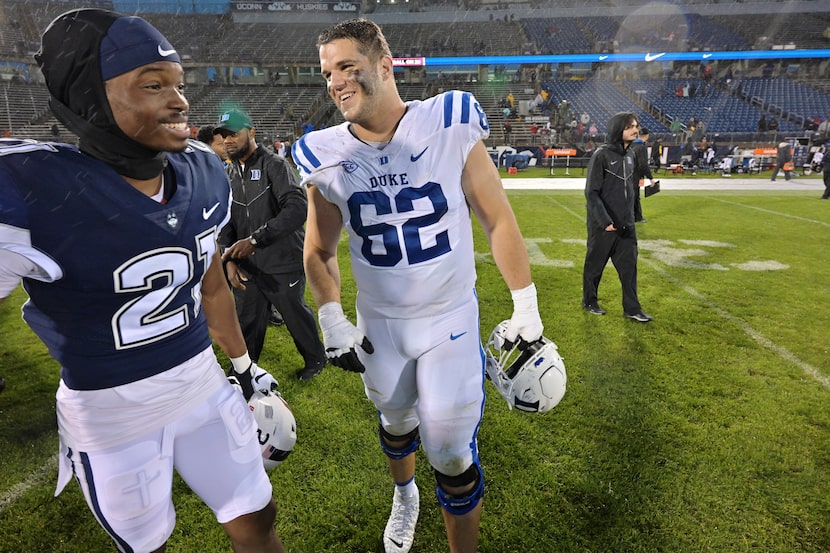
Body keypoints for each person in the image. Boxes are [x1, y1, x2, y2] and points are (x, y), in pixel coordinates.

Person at [0, 9, 286, 552]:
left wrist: (246, 368)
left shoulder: (204, 171)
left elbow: (210, 284)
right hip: (111, 413)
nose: (179, 100)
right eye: (153, 85)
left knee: (257, 516)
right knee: (147, 544)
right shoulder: (31, 192)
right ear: (89, 99)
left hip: (202, 382)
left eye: (178, 85)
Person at [293, 18, 544, 553]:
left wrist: (526, 304)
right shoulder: (324, 152)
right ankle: (405, 495)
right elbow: (318, 251)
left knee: (451, 450)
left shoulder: (448, 122)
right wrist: (332, 316)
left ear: (385, 65)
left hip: (450, 315)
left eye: (346, 67)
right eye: (327, 73)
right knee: (396, 421)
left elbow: (497, 219)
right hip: (381, 323)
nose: (335, 82)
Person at [217, 108, 327, 381]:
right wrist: (229, 259)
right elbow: (225, 221)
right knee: (247, 319)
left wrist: (256, 240)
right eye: (224, 137)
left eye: (234, 134)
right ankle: (244, 369)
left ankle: (315, 359)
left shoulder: (275, 165)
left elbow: (297, 207)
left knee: (294, 314)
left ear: (251, 132)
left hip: (282, 259)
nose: (228, 141)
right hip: (247, 264)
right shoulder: (229, 173)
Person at [582, 112, 653, 323]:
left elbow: (630, 191)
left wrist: (630, 218)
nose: (635, 129)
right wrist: (605, 221)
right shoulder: (601, 155)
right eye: (630, 126)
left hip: (626, 226)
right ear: (618, 129)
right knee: (594, 267)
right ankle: (589, 301)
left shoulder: (631, 155)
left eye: (636, 125)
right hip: (603, 227)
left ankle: (632, 308)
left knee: (629, 269)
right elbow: (591, 193)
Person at [630, 127, 656, 224]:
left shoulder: (631, 145)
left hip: (629, 174)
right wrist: (651, 178)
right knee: (636, 196)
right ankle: (637, 217)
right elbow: (643, 164)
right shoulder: (641, 147)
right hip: (637, 175)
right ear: (647, 136)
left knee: (631, 195)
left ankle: (632, 216)